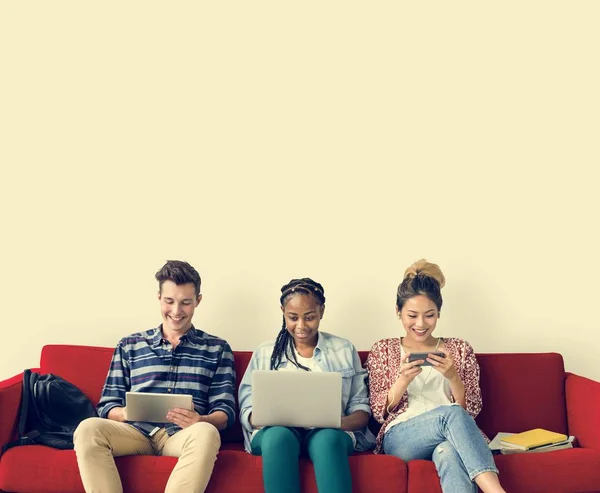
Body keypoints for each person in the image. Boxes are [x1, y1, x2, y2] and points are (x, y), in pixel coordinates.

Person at [74, 260, 236, 493]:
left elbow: (225, 412)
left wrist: (201, 421)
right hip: (134, 432)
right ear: (159, 297)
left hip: (183, 436)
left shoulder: (217, 348)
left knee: (207, 432)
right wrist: (125, 413)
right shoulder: (130, 345)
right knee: (88, 429)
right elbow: (107, 405)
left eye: (186, 303)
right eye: (169, 301)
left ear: (198, 301)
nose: (176, 311)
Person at [366, 259, 507, 493]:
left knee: (449, 452)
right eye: (412, 315)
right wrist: (402, 381)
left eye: (429, 315)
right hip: (402, 437)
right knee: (449, 415)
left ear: (439, 314)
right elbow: (378, 412)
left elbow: (469, 412)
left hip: (451, 434)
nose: (421, 324)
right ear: (398, 312)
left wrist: (454, 378)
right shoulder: (383, 349)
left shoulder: (460, 349)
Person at [238, 278, 375, 493]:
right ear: (282, 311)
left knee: (327, 440)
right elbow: (247, 411)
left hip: (330, 431)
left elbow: (362, 410)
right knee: (278, 437)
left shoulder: (344, 349)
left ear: (322, 311)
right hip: (275, 432)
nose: (301, 326)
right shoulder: (265, 353)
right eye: (293, 318)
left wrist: (336, 422)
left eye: (309, 317)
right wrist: (264, 416)